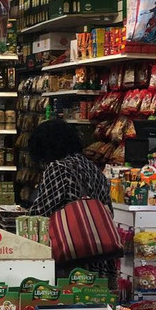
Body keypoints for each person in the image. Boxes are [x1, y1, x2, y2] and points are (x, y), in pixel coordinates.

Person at [27, 119, 119, 285]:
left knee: (70, 307)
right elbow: (108, 211)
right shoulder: (92, 168)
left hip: (74, 258)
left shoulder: (58, 168)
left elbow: (40, 212)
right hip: (101, 256)